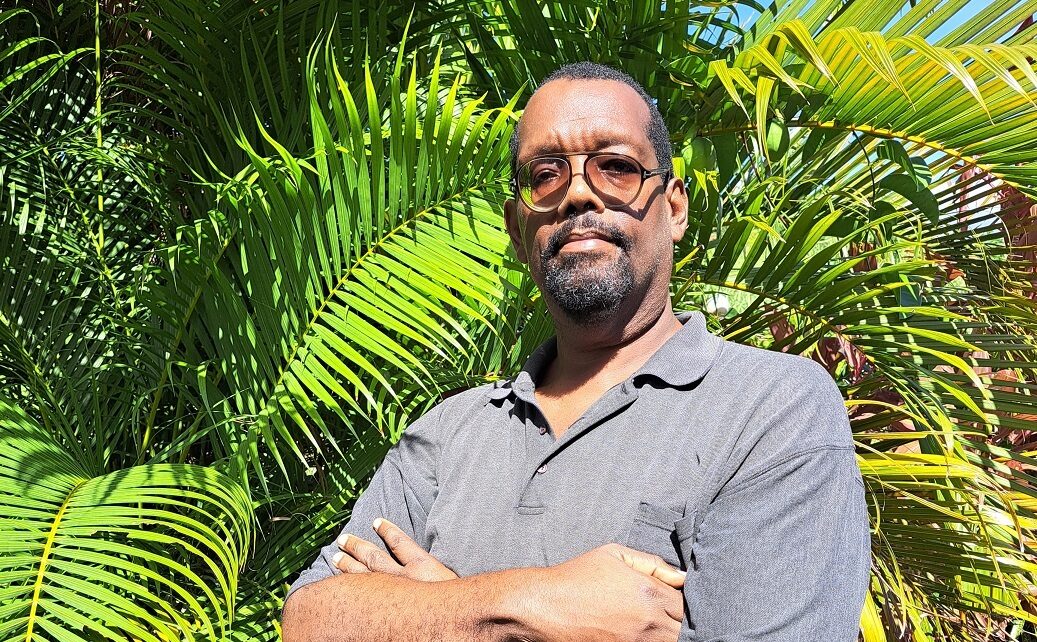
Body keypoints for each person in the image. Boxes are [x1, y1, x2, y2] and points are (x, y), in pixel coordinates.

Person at [282, 61, 870, 642]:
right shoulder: (447, 435)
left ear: (674, 208)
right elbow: (308, 621)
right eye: (546, 174)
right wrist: (520, 611)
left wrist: (429, 608)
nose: (579, 193)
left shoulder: (772, 409)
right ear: (517, 229)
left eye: (616, 167)